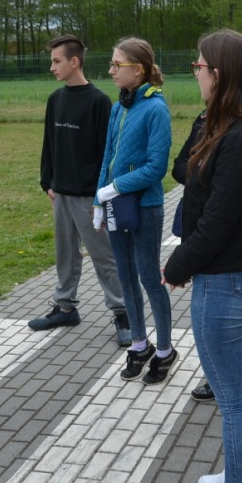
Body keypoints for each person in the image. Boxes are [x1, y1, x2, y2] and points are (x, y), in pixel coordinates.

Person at [163, 29, 242, 483]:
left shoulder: (240, 137)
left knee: (235, 398)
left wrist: (176, 267)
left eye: (198, 65)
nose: (194, 72)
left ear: (218, 72)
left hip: (225, 282)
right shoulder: (238, 126)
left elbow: (216, 222)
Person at [28, 35, 132, 347]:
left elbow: (108, 152)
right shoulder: (55, 100)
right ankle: (64, 307)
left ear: (75, 62)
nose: (52, 67)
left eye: (57, 61)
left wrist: (101, 192)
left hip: (89, 196)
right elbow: (49, 144)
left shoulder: (99, 101)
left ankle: (123, 313)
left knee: (104, 257)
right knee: (65, 254)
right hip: (60, 193)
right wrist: (48, 182)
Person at [94, 37, 174, 384]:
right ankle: (139, 344)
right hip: (115, 205)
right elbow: (108, 158)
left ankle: (166, 350)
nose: (111, 71)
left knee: (148, 277)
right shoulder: (118, 107)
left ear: (138, 69)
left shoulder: (156, 108)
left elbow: (157, 167)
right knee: (124, 276)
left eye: (117, 65)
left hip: (145, 206)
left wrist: (118, 187)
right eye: (111, 64)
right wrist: (100, 199)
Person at [171, 109, 214, 403]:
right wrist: (204, 174)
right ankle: (215, 375)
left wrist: (199, 172)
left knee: (215, 314)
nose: (197, 75)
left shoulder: (240, 123)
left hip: (217, 237)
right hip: (196, 218)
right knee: (204, 312)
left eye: (200, 69)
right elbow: (177, 167)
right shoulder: (202, 117)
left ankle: (221, 378)